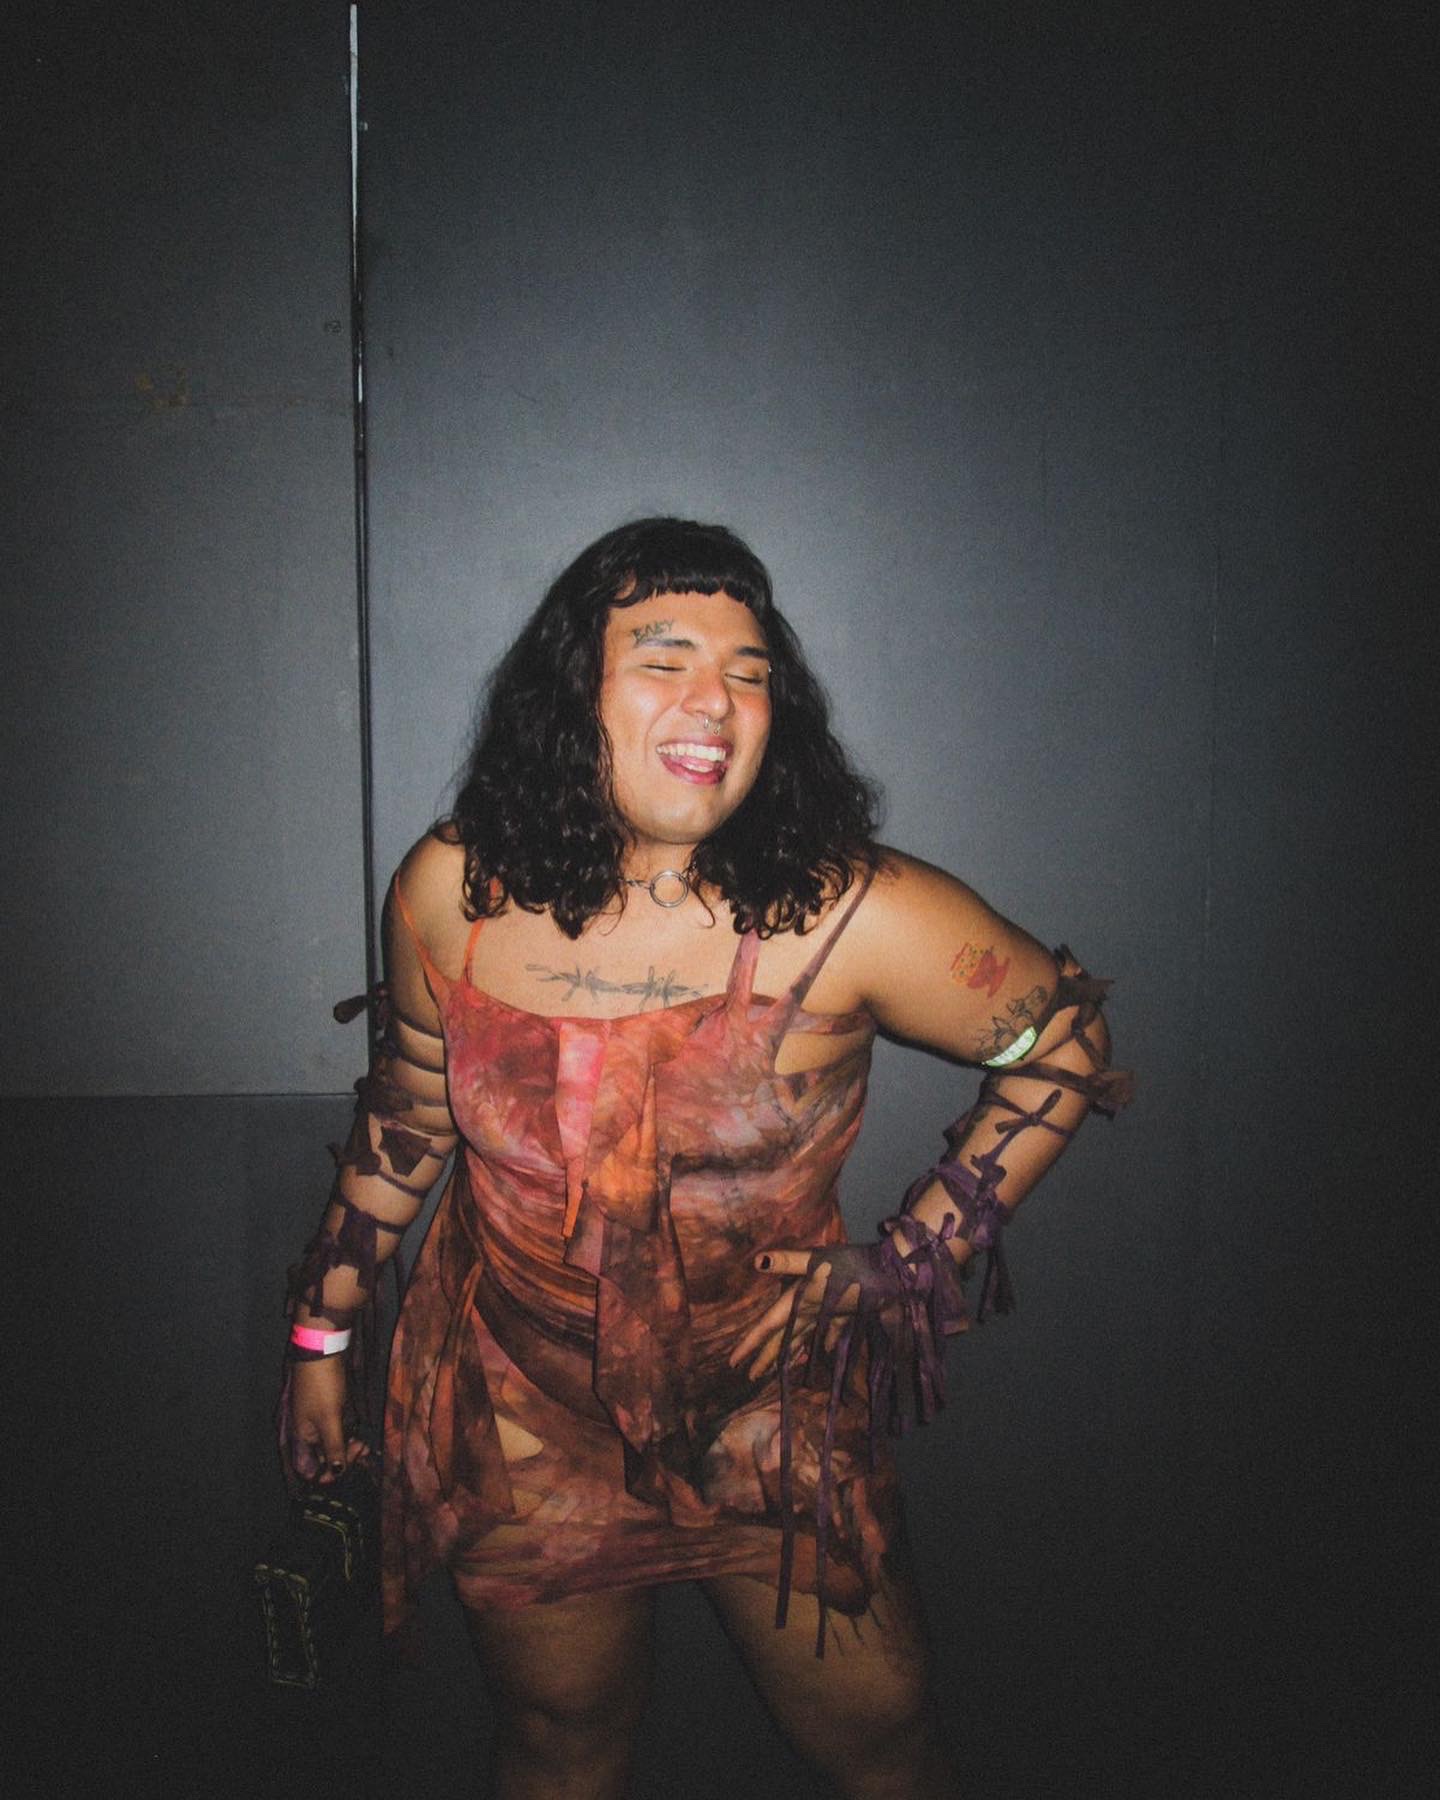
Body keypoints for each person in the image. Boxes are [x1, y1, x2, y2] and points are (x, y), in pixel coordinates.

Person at [282, 517, 1130, 1799]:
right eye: (664, 657)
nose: (716, 701)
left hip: (766, 1419)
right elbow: (408, 1111)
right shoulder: (454, 894)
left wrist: (916, 1258)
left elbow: (1062, 1040)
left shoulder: (851, 913)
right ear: (573, 689)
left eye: (748, 671)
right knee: (559, 1746)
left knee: (885, 1743)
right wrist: (322, 1335)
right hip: (524, 1427)